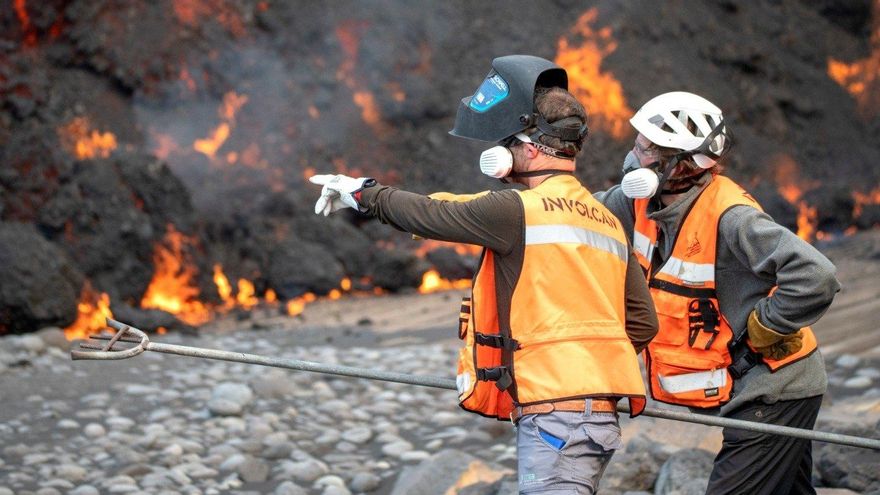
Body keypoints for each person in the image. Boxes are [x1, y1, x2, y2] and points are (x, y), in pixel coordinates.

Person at [310, 55, 658, 494]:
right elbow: (643, 323)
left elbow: (437, 214)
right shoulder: (606, 221)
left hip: (555, 414)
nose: (501, 153)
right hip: (600, 414)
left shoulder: (516, 209)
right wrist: (589, 364)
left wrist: (364, 193)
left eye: (508, 143)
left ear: (530, 147)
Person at [596, 91, 841, 495]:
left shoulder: (732, 217)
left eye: (642, 148)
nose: (630, 157)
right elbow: (579, 217)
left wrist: (766, 325)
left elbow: (817, 275)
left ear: (677, 164)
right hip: (748, 389)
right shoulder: (637, 202)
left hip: (774, 389)